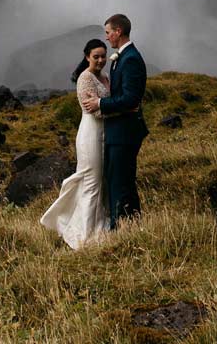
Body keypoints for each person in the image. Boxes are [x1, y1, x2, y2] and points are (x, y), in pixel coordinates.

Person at [39, 39, 111, 248]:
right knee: (91, 180)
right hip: (90, 133)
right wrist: (118, 110)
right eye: (95, 56)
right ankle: (84, 233)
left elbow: (102, 105)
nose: (100, 60)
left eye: (102, 56)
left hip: (104, 133)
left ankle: (95, 221)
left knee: (100, 181)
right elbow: (93, 111)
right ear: (87, 56)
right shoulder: (85, 78)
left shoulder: (105, 76)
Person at [82, 13, 147, 228]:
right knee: (119, 181)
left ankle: (121, 228)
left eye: (108, 32)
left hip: (125, 132)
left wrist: (100, 103)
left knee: (121, 182)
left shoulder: (130, 59)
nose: (107, 37)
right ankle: (127, 225)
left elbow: (130, 98)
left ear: (118, 31)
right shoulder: (123, 57)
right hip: (118, 131)